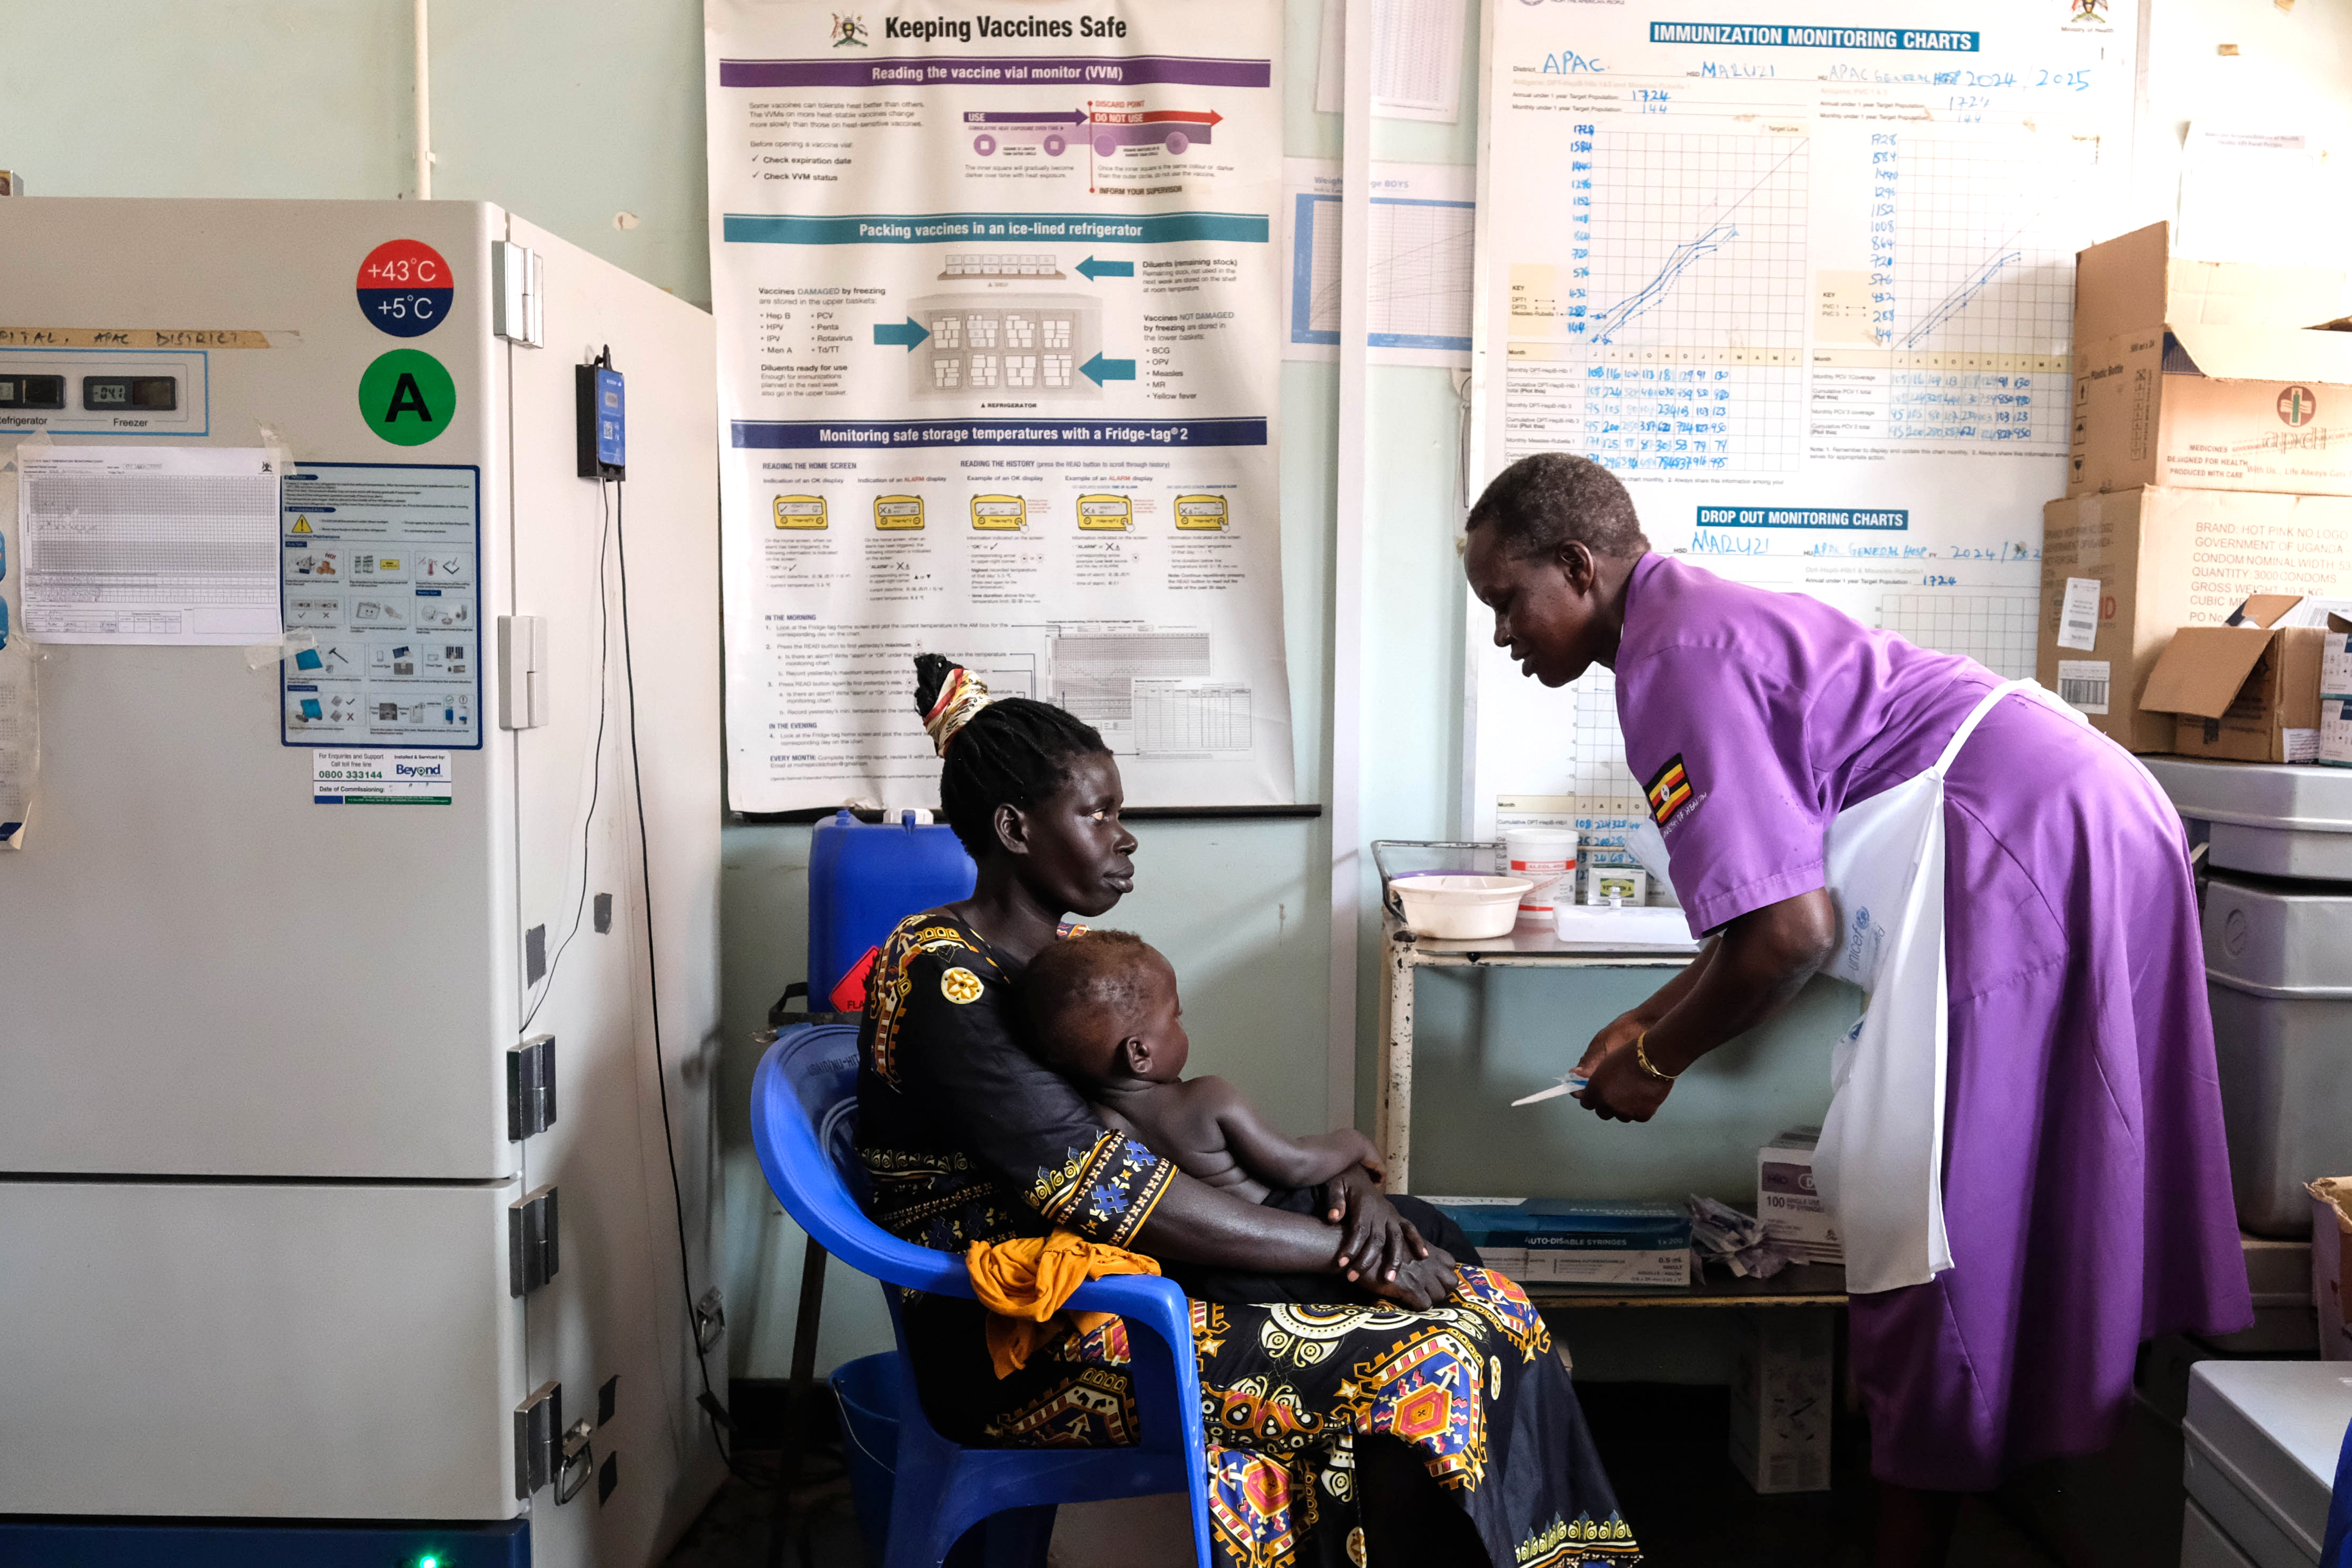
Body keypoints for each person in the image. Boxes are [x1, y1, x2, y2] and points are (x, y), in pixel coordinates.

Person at [1460, 452, 2251, 1565]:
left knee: (1916, 1212)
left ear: (1579, 569)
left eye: (1507, 601)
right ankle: (1991, 1496)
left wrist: (1663, 1059)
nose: (1503, 634)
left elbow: (1792, 938)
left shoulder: (1671, 662)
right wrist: (1649, 1021)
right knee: (2001, 1190)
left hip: (2016, 838)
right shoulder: (1686, 625)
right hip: (2069, 811)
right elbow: (1772, 914)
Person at [854, 653, 1641, 1568]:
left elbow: (1166, 1128)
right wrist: (1345, 1249)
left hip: (1123, 1287)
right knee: (1434, 1356)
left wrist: (1353, 1200)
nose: (1125, 836)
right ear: (1015, 828)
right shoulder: (947, 979)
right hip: (1032, 1341)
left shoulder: (1052, 968)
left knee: (1440, 1250)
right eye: (1098, 812)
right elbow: (1109, 1192)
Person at [1022, 926, 1447, 1305]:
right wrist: (1353, 1141)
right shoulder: (1207, 1098)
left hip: (1217, 1281)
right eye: (1176, 1017)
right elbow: (1295, 1164)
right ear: (1139, 1053)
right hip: (1293, 1242)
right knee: (1426, 1220)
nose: (1182, 1027)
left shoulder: (1094, 1125)